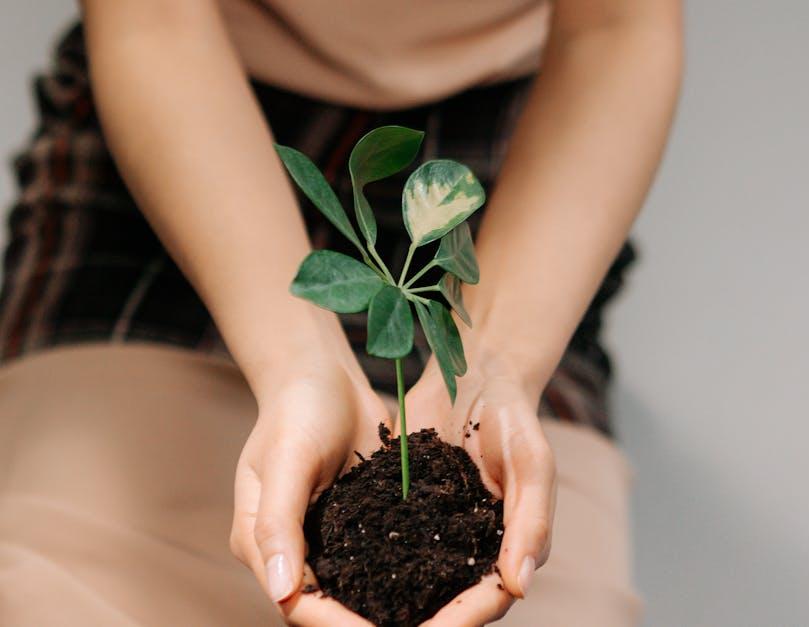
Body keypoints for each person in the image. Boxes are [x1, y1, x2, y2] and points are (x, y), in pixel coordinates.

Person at [0, 1, 681, 625]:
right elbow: (154, 22)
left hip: (517, 157)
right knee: (56, 588)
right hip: (185, 122)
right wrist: (298, 360)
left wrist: (493, 367)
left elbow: (615, 28)